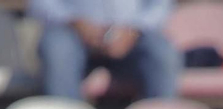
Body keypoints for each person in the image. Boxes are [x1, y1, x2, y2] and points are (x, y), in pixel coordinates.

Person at [30, 0, 181, 102]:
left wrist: (133, 30)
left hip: (134, 34)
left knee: (163, 53)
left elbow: (161, 5)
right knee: (57, 48)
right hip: (72, 33)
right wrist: (73, 21)